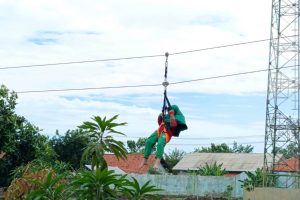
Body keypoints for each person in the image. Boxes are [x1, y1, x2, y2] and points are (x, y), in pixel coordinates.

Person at [139, 105, 187, 169]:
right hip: (160, 130)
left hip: (167, 133)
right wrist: (160, 116)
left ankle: (157, 162)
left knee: (160, 144)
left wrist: (172, 115)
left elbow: (174, 124)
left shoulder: (179, 117)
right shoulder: (167, 116)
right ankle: (145, 160)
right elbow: (160, 122)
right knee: (149, 141)